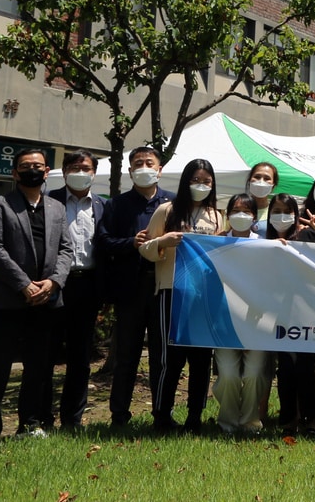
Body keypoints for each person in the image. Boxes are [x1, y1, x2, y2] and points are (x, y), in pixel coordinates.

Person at [0, 148, 73, 446]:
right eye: (25, 166)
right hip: (8, 300)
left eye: (38, 166)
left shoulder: (56, 207)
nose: (33, 170)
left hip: (46, 300)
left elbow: (67, 249)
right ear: (15, 173)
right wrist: (24, 284)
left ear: (47, 172)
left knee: (38, 366)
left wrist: (54, 282)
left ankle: (30, 423)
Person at [139, 159, 224, 433]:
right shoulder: (167, 210)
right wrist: (163, 242)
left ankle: (194, 417)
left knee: (201, 360)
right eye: (196, 180)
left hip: (204, 297)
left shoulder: (216, 216)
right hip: (172, 293)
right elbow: (146, 247)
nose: (201, 186)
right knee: (169, 358)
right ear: (186, 182)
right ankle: (162, 415)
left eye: (207, 181)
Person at [95, 145, 175, 428]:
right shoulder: (116, 205)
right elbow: (103, 242)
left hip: (164, 288)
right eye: (137, 163)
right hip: (130, 289)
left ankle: (162, 414)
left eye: (148, 162)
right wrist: (131, 243)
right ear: (129, 171)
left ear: (159, 169)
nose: (144, 167)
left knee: (161, 355)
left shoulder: (173, 203)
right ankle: (119, 415)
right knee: (126, 355)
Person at [46, 148, 104, 431]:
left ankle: (72, 419)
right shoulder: (49, 201)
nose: (81, 173)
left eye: (86, 168)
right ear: (65, 171)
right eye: (75, 167)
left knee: (81, 358)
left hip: (88, 285)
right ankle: (40, 418)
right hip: (55, 284)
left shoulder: (103, 205)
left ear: (94, 173)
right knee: (46, 354)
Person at [266, 193, 315, 433]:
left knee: (304, 366)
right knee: (285, 368)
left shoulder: (306, 236)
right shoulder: (265, 242)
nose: (281, 216)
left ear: (296, 215)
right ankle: (287, 421)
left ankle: (310, 420)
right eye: (276, 211)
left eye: (287, 211)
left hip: (311, 314)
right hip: (281, 315)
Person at [213, 193, 269, 435]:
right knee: (227, 375)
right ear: (227, 214)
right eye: (236, 210)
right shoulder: (215, 243)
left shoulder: (264, 245)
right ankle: (227, 423)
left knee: (255, 374)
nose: (241, 215)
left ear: (254, 217)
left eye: (246, 211)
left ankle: (249, 423)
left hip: (255, 322)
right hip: (223, 322)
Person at [246, 162, 277, 237]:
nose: (261, 181)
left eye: (267, 178)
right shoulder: (236, 208)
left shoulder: (276, 212)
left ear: (273, 186)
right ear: (249, 181)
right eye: (257, 177)